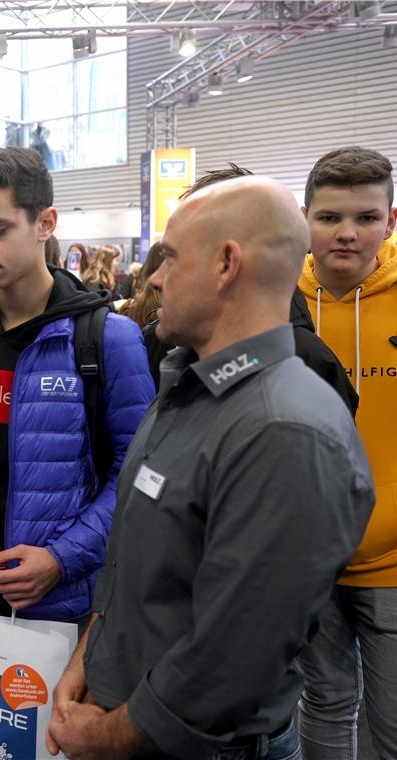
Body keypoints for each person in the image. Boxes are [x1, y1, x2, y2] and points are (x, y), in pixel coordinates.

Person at [48, 175, 375, 760]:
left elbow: (230, 660)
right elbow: (140, 561)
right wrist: (89, 658)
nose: (152, 277)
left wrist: (105, 736)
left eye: (169, 258)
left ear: (226, 265)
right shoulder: (189, 387)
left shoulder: (285, 431)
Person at [0, 147, 153, 625]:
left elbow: (136, 471)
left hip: (60, 604)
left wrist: (63, 557)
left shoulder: (108, 339)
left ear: (45, 223)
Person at [296, 146, 397, 759]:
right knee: (325, 706)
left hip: (393, 563)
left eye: (365, 216)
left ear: (391, 219)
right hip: (304, 559)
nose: (347, 233)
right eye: (330, 216)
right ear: (304, 217)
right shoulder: (277, 301)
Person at [139, 164, 358, 415]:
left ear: (228, 260)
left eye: (174, 255)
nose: (156, 279)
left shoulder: (308, 359)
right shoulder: (161, 339)